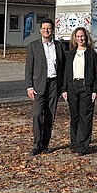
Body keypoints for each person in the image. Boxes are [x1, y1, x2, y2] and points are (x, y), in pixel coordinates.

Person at [25, 18, 66, 155]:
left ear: (52, 30)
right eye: (43, 28)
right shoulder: (33, 46)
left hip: (54, 84)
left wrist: (63, 88)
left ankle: (45, 144)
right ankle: (37, 144)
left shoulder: (59, 46)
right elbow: (29, 68)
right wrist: (29, 86)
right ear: (40, 30)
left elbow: (64, 68)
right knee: (37, 114)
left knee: (50, 115)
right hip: (38, 86)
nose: (46, 30)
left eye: (48, 28)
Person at [62, 26, 97, 155]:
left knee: (85, 117)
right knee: (75, 116)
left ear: (86, 37)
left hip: (86, 87)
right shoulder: (71, 54)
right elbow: (66, 72)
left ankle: (82, 146)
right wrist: (64, 89)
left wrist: (94, 89)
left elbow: (95, 73)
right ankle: (75, 143)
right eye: (78, 37)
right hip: (72, 87)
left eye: (82, 36)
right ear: (74, 38)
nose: (80, 38)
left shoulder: (91, 53)